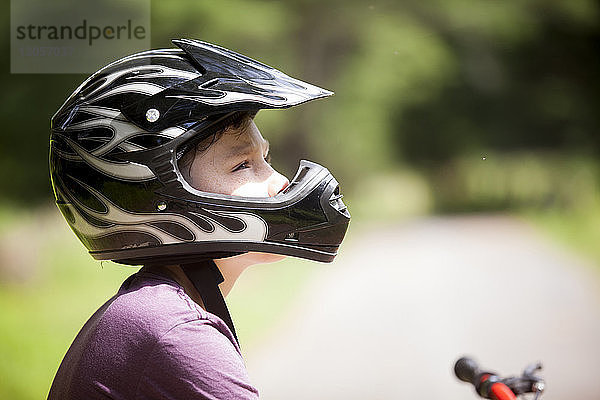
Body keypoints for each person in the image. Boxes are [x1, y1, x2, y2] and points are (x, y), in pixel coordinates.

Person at [47, 39, 350, 399]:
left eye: (265, 157)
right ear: (157, 193)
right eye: (242, 165)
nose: (280, 181)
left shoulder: (150, 312)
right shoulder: (174, 333)